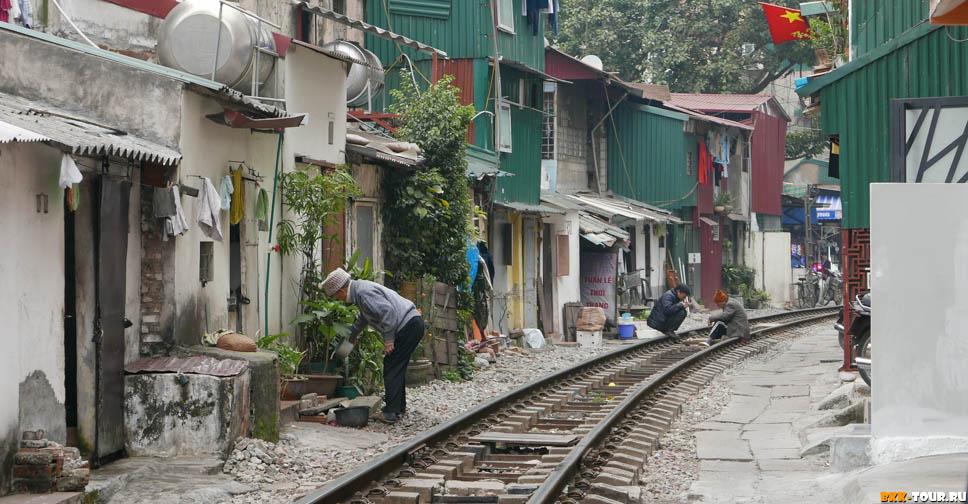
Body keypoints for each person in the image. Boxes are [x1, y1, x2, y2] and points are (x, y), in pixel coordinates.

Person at [322, 268, 424, 424]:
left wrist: (389, 339)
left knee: (391, 365)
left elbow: (387, 312)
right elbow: (365, 316)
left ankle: (391, 412)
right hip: (411, 324)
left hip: (407, 326)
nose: (338, 300)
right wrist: (353, 335)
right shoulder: (360, 290)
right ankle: (398, 408)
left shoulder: (363, 293)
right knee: (396, 366)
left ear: (341, 290)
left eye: (336, 296)